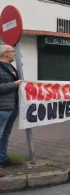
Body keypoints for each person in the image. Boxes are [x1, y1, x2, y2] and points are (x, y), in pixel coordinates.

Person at [0, 45, 22, 177]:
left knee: (5, 134)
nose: (14, 53)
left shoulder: (12, 68)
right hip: (2, 107)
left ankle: (3, 159)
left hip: (12, 107)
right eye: (12, 51)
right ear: (5, 54)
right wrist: (14, 84)